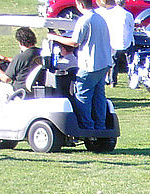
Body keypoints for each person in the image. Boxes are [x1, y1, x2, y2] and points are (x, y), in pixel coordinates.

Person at [48, 0, 113, 130]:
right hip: (104, 62)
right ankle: (100, 126)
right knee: (99, 96)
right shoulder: (100, 18)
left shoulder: (84, 20)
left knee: (82, 94)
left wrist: (54, 37)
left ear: (80, 4)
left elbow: (74, 42)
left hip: (90, 64)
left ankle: (86, 126)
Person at [0, 27, 40, 128]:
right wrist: (7, 59)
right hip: (34, 90)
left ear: (20, 42)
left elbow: (6, 79)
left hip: (18, 91)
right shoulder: (40, 53)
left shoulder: (21, 57)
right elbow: (25, 62)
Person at [96, 0, 134, 87]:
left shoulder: (110, 14)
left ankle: (113, 81)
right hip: (126, 40)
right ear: (124, 4)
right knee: (130, 63)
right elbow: (132, 26)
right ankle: (131, 80)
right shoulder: (127, 14)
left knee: (114, 63)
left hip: (114, 41)